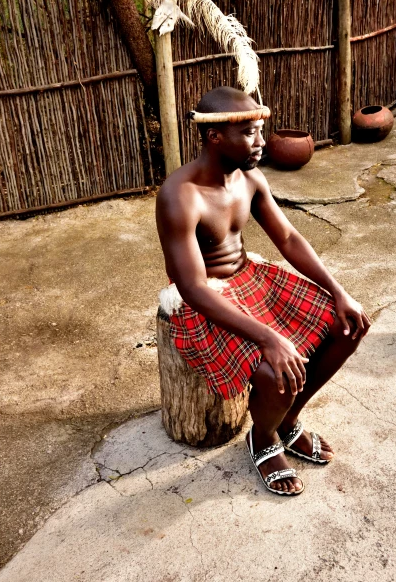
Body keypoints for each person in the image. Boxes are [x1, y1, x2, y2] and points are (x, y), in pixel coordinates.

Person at [156, 86, 371, 496]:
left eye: (260, 130)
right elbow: (192, 285)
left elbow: (288, 238)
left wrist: (338, 291)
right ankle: (265, 437)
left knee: (349, 324)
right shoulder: (179, 195)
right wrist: (269, 337)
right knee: (278, 370)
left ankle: (287, 421)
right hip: (205, 298)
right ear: (214, 136)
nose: (261, 142)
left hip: (250, 276)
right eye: (249, 133)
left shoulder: (249, 177)